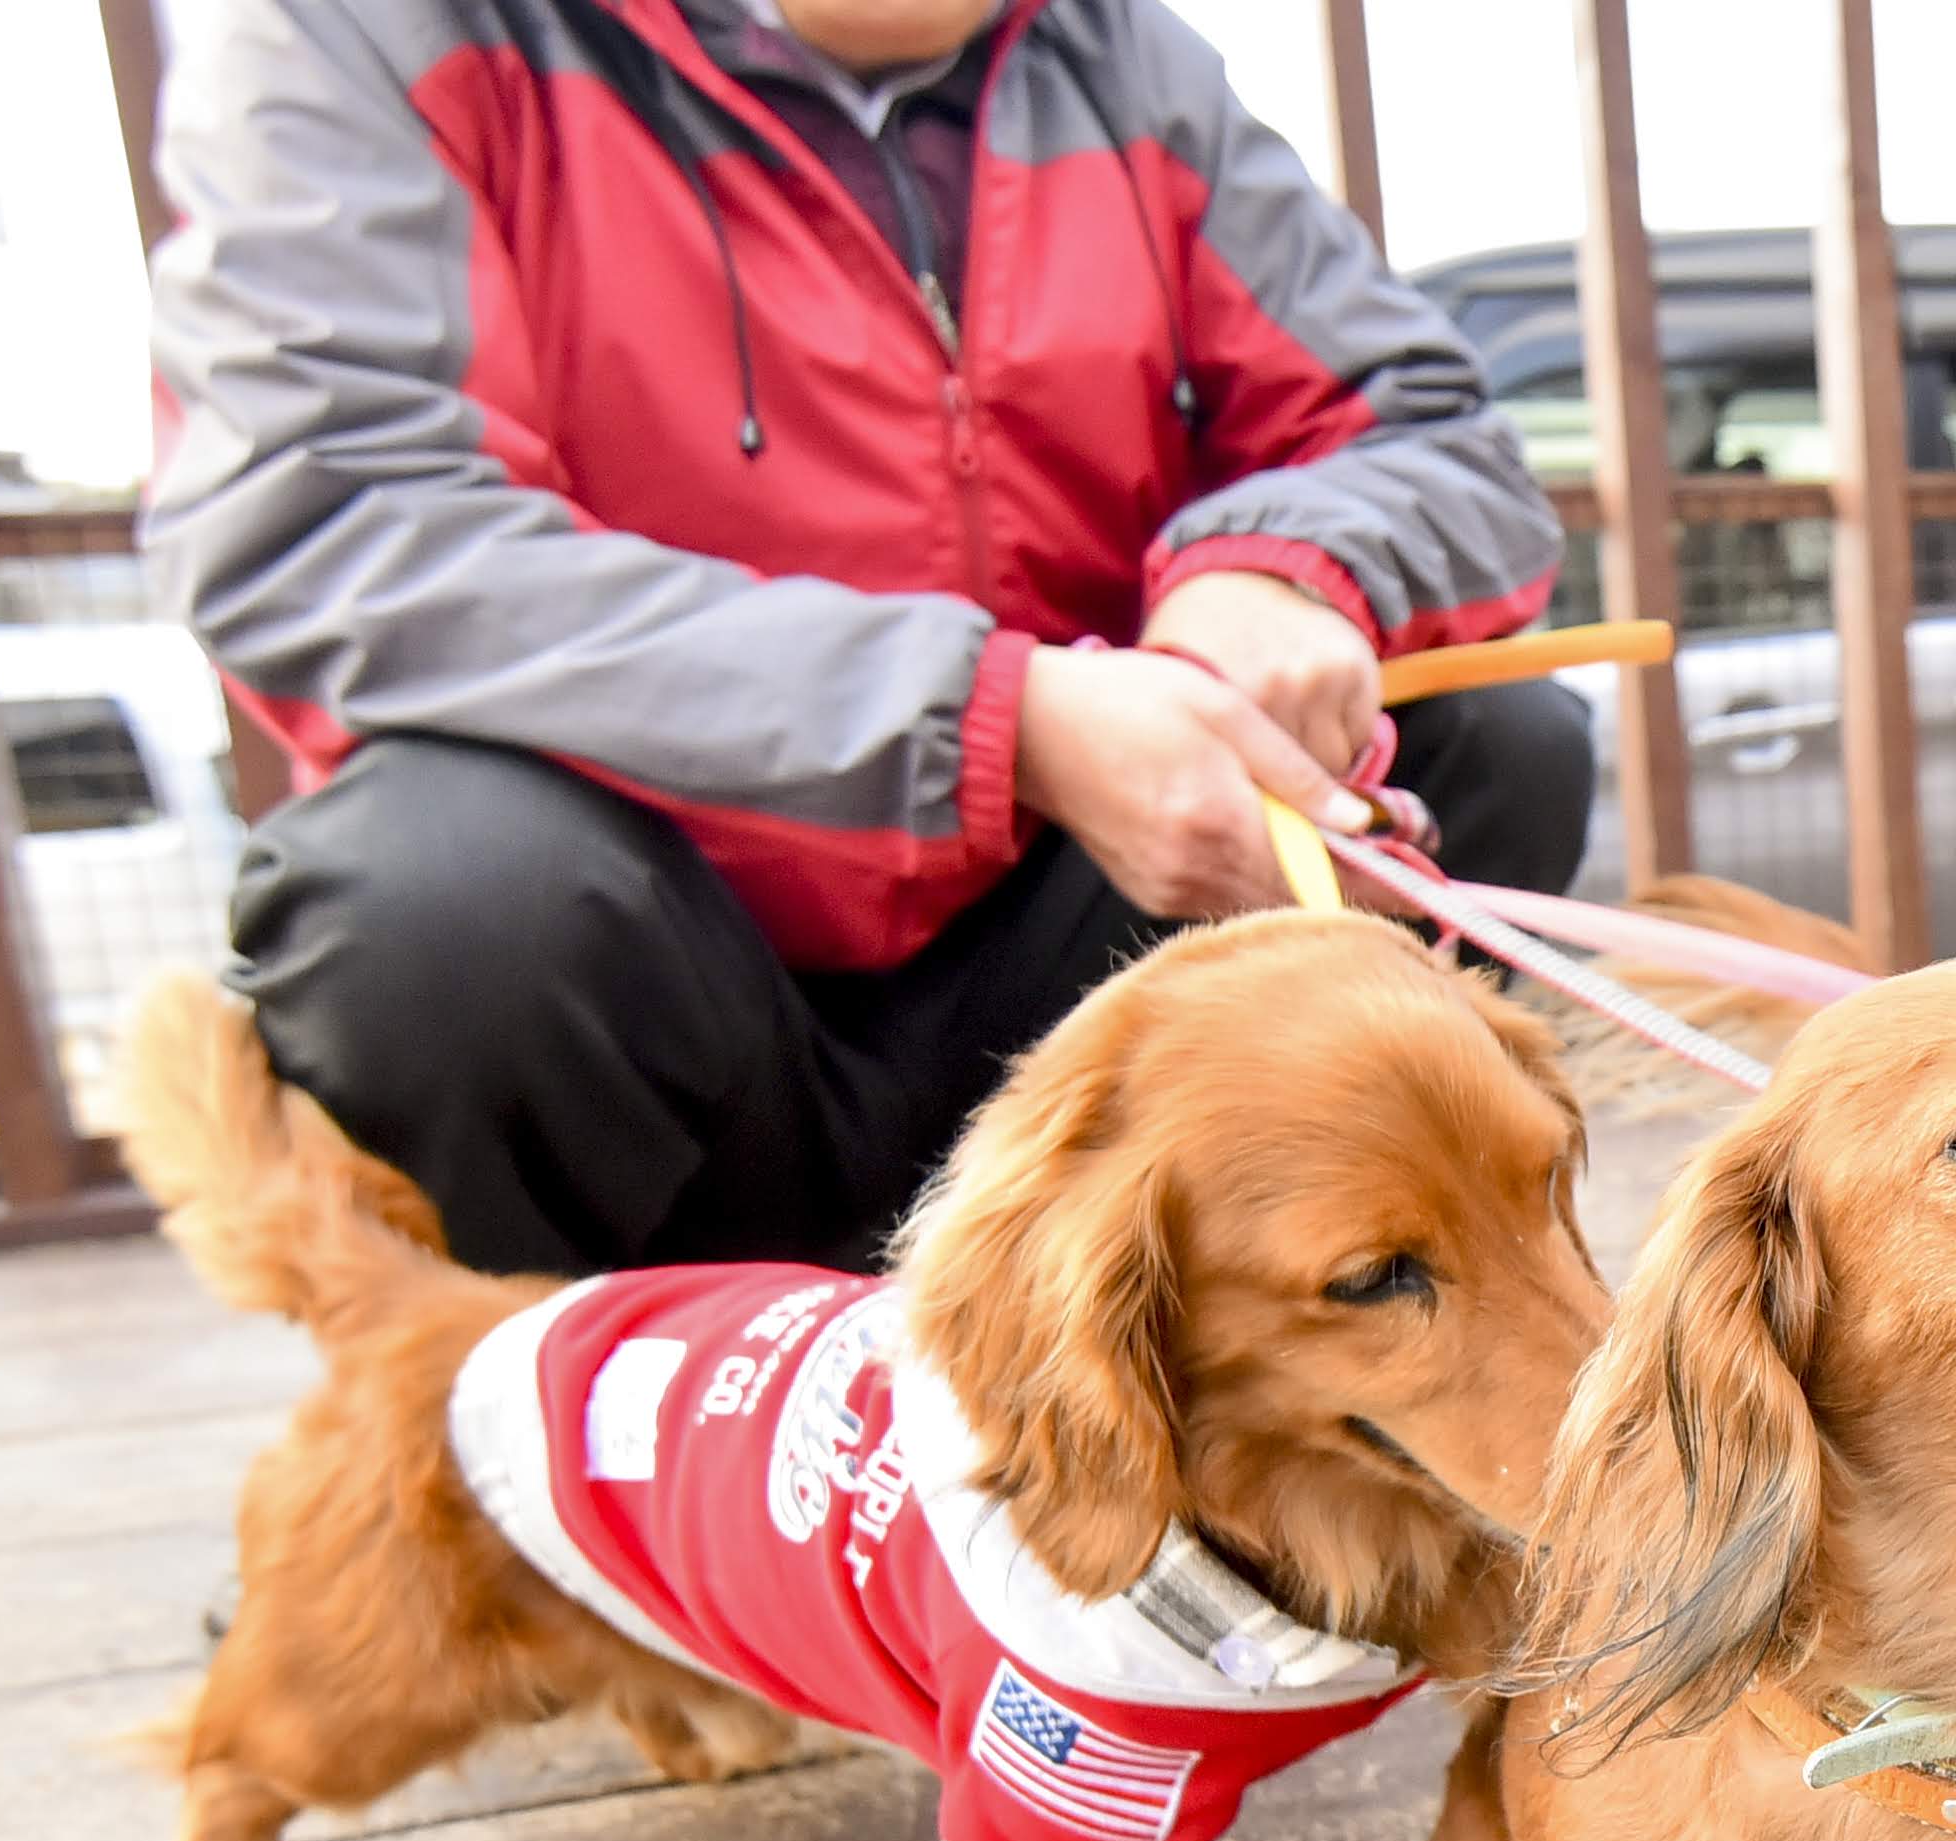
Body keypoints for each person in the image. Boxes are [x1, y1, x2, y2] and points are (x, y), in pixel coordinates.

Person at [144, 0, 1583, 1276]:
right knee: (439, 908)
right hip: (651, 962)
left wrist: (1282, 569)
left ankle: (1224, 1354)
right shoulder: (371, 28)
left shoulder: (1124, 58)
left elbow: (1433, 439)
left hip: (1068, 925)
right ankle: (578, 1435)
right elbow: (330, 515)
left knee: (1480, 748)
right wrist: (995, 723)